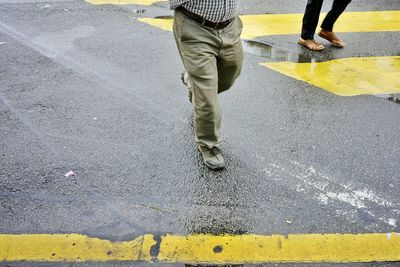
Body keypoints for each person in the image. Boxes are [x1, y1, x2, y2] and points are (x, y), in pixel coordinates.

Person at [169, 0, 243, 170]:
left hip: (230, 27)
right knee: (207, 96)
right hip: (195, 27)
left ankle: (192, 81)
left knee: (230, 75)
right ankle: (208, 144)